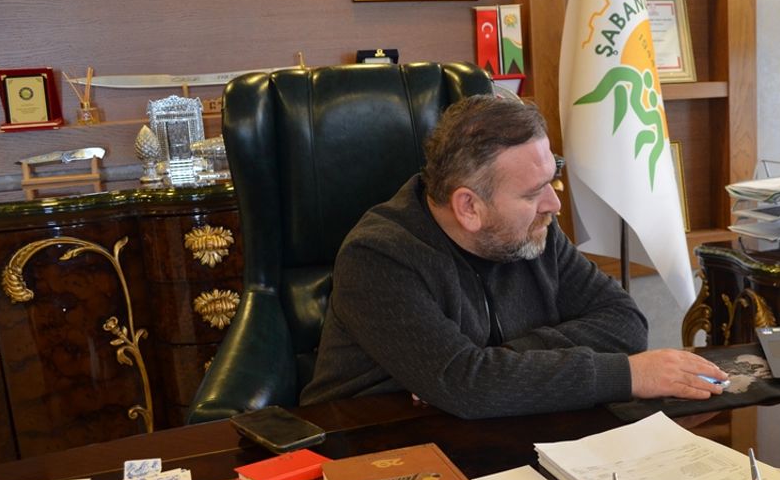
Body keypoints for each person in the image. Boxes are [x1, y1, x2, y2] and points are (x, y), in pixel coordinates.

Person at [300, 95, 726, 417]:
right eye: (532, 193)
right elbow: (470, 388)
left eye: (552, 179)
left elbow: (625, 324)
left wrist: (499, 363)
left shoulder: (535, 231)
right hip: (373, 443)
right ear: (469, 206)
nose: (553, 205)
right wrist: (628, 375)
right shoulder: (377, 258)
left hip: (505, 427)